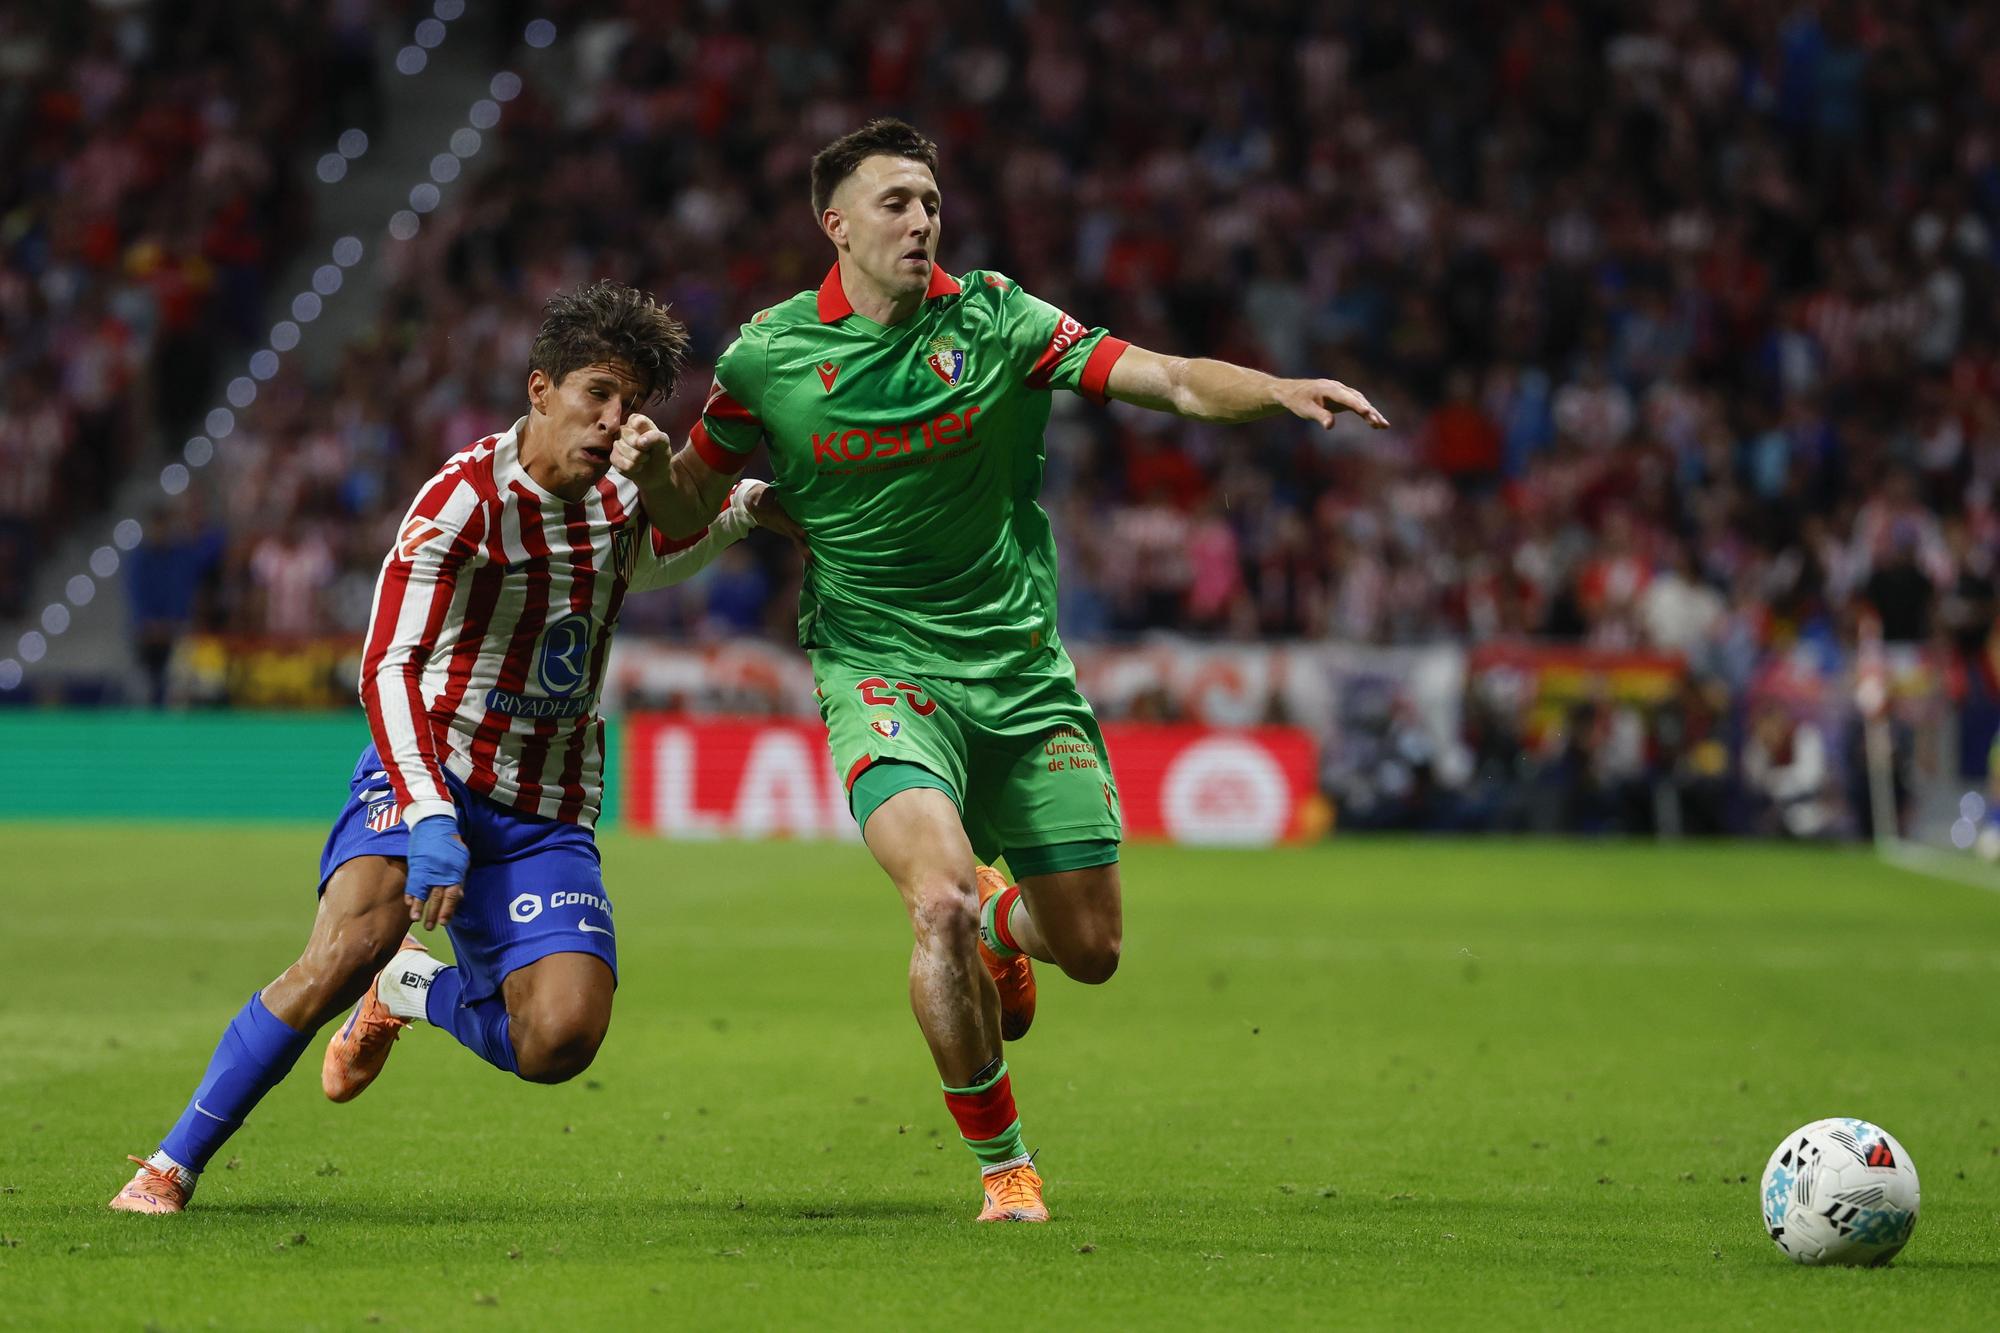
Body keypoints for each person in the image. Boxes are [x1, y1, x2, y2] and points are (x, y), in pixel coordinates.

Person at [613, 119, 1387, 1223]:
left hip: (1020, 674)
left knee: (1094, 948)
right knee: (932, 905)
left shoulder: (999, 318)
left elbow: (1161, 377)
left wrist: (1275, 387)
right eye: (894, 202)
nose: (920, 219)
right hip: (879, 671)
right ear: (834, 224)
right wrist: (654, 473)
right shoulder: (765, 360)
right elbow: (690, 511)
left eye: (928, 200)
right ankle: (1004, 1165)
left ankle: (1002, 914)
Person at [110, 280, 799, 1213]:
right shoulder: (460, 504)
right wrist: (430, 808)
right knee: (350, 943)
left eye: (631, 404)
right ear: (539, 388)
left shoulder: (622, 499)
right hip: (430, 769)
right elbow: (388, 666)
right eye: (596, 392)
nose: (613, 420)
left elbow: (651, 556)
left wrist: (749, 505)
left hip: (543, 807)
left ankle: (413, 991)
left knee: (560, 1039)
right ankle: (171, 1163)